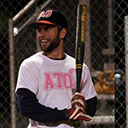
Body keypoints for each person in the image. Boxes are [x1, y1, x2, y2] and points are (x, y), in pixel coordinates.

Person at [15, 9, 97, 128]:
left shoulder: (79, 67)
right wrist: (65, 114)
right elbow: (27, 107)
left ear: (62, 33)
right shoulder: (31, 65)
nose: (42, 34)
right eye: (39, 30)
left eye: (47, 29)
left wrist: (83, 107)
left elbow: (92, 107)